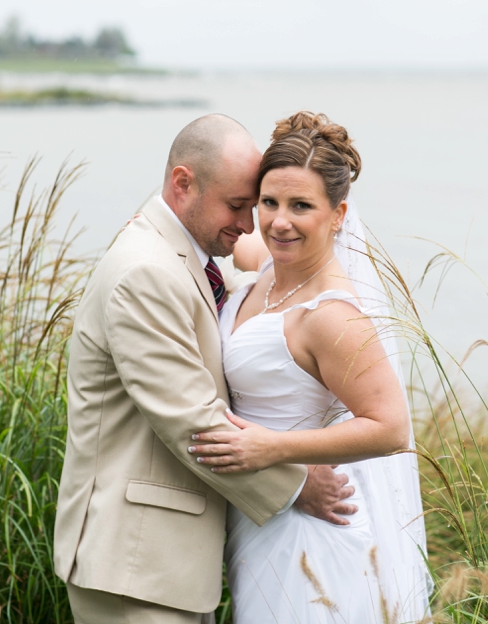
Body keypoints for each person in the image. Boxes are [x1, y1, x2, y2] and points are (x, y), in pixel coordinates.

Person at [53, 114, 357, 623]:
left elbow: (218, 314)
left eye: (252, 204)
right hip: (136, 564)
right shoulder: (145, 271)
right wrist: (300, 484)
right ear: (183, 184)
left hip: (165, 566)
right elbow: (192, 422)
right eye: (237, 205)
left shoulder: (179, 254)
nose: (247, 224)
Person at [187, 112, 432, 622]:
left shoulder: (329, 314)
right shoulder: (269, 267)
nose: (279, 221)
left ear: (338, 215)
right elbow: (214, 237)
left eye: (302, 206)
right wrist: (152, 233)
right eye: (269, 202)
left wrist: (273, 448)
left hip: (314, 532)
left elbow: (390, 428)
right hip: (261, 519)